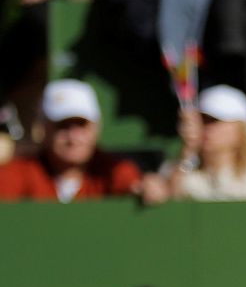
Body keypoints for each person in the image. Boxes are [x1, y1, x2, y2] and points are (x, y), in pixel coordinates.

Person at [0, 79, 145, 202]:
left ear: (96, 128)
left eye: (82, 125)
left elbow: (135, 189)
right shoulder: (18, 172)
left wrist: (152, 189)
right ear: (44, 130)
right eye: (63, 126)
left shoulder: (114, 171)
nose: (73, 137)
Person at [159, 84, 246, 201]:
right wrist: (187, 151)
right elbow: (171, 203)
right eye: (201, 120)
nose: (205, 127)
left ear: (242, 131)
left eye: (214, 120)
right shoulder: (176, 170)